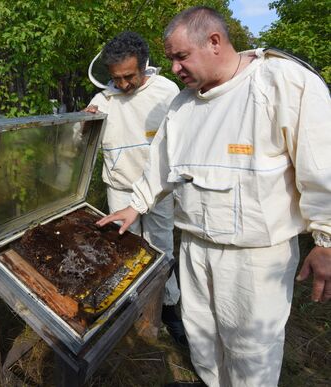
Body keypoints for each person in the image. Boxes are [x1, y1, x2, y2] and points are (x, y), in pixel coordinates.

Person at [97, 6, 331, 387]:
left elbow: (322, 163)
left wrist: (327, 238)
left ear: (215, 42)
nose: (173, 68)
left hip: (255, 258)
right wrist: (135, 204)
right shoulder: (184, 103)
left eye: (180, 57)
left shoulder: (281, 82)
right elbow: (161, 162)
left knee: (250, 356)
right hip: (195, 248)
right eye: (171, 58)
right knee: (204, 346)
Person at [84, 31, 186, 345]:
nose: (124, 84)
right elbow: (84, 142)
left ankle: (167, 308)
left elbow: (181, 140)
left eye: (130, 76)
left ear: (144, 66)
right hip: (120, 188)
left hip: (158, 189)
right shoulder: (103, 99)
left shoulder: (166, 91)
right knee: (127, 249)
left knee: (161, 248)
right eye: (117, 78)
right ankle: (131, 306)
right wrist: (84, 124)